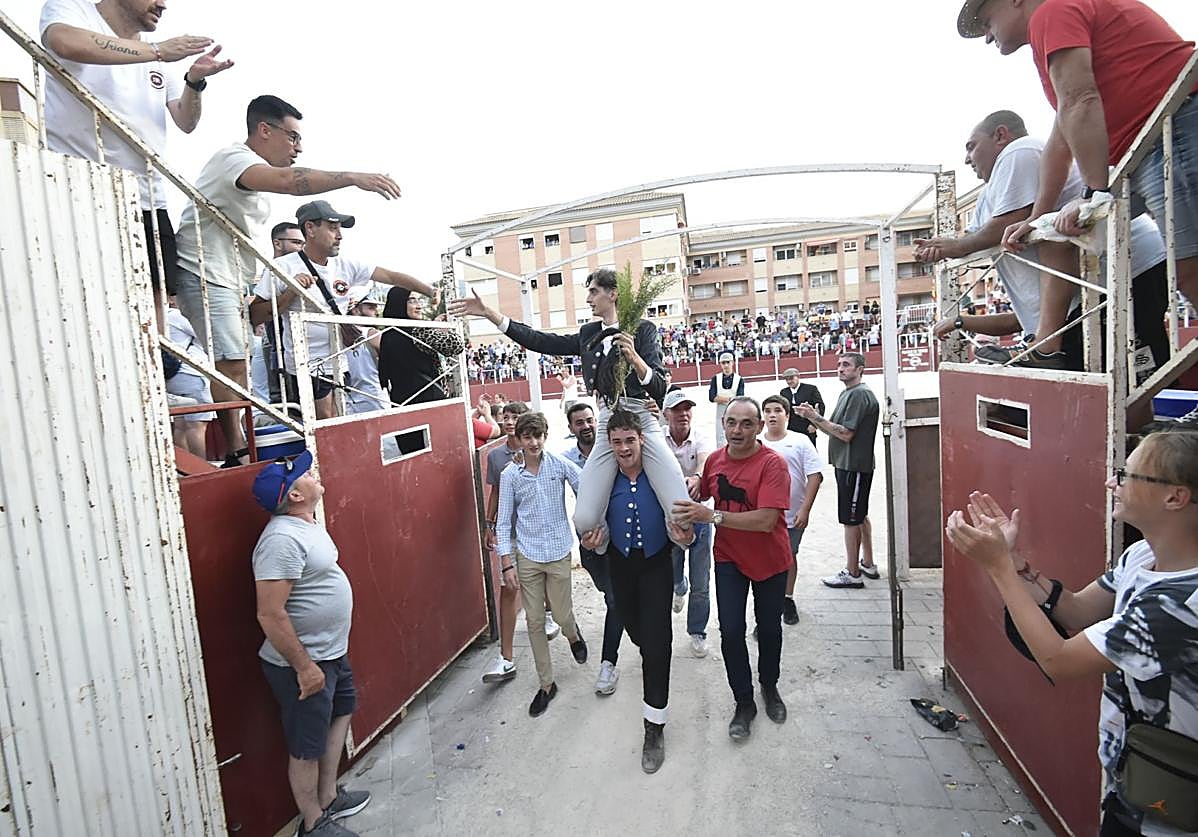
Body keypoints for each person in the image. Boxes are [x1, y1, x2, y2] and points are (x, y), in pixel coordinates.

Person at [945, 429, 1198, 837]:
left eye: (1127, 475)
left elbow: (1058, 660)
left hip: (1168, 807)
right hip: (1136, 780)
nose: (1112, 482)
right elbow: (1078, 610)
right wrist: (1015, 562)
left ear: (1175, 497)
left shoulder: (1179, 605)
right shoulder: (1144, 555)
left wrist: (998, 569)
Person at [177, 96, 406, 453]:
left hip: (230, 275)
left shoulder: (247, 169)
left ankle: (239, 441)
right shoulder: (234, 158)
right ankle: (237, 447)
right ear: (264, 130)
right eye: (293, 137)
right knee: (232, 361)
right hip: (207, 270)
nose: (298, 147)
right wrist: (351, 178)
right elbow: (288, 181)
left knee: (238, 362)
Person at [958, 0, 1198, 316]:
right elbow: (1062, 138)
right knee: (1057, 229)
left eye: (987, 22)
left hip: (1174, 127)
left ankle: (1048, 345)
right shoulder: (1058, 20)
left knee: (1190, 268)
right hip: (1155, 141)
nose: (988, 36)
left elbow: (1080, 100)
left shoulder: (1052, 11)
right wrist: (1037, 216)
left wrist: (1093, 193)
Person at [449, 269, 688, 550]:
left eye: (593, 291)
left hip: (642, 420)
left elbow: (660, 387)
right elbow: (540, 341)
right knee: (585, 517)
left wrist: (634, 358)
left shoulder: (643, 329)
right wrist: (491, 314)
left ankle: (677, 560)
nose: (588, 299)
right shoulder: (589, 333)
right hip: (608, 421)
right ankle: (607, 551)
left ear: (613, 294)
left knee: (679, 507)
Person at [917, 110, 1168, 376]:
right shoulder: (991, 192)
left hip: (1125, 273)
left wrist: (956, 247)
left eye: (972, 146)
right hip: (1090, 295)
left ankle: (1047, 349)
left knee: (1129, 381)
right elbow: (979, 239)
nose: (967, 159)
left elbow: (1006, 222)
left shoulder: (1018, 151)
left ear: (1001, 135)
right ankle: (1046, 348)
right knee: (1113, 388)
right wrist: (950, 249)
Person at [39, 0, 233, 316]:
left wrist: (194, 82)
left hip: (148, 199)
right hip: (80, 187)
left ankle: (153, 365)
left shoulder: (159, 56)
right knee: (86, 299)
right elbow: (64, 42)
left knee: (153, 306)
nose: (163, 4)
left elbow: (186, 121)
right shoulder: (73, 9)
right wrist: (158, 50)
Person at [251, 451, 371, 837]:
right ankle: (313, 821)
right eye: (304, 475)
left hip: (331, 651)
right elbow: (270, 614)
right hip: (304, 663)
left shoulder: (306, 523)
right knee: (306, 744)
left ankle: (329, 795)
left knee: (341, 712)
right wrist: (305, 668)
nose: (312, 472)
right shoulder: (280, 540)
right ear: (295, 495)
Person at [580, 409, 695, 773]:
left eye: (630, 440)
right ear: (609, 445)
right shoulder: (607, 481)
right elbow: (594, 534)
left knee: (657, 646)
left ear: (642, 439)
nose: (625, 448)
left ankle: (654, 726)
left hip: (657, 565)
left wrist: (687, 538)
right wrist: (595, 545)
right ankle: (649, 652)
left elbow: (687, 529)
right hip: (622, 566)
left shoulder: (659, 478)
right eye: (617, 442)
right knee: (637, 633)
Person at [249, 201, 437, 421]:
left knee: (338, 419)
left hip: (340, 359)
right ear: (310, 229)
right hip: (306, 364)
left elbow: (391, 276)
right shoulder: (284, 267)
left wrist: (428, 289)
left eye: (340, 228)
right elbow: (256, 315)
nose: (340, 235)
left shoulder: (346, 265)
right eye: (332, 228)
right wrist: (291, 291)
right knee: (326, 421)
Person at [673, 397, 793, 741]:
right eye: (731, 423)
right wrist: (697, 481)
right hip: (729, 559)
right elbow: (706, 487)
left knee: (769, 630)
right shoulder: (715, 460)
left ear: (759, 427)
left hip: (770, 560)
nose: (737, 430)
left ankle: (769, 687)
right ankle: (744, 702)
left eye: (746, 424)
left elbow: (768, 520)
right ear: (723, 424)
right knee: (730, 631)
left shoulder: (773, 464)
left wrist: (712, 516)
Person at [495, 412, 589, 716]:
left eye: (538, 436)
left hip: (559, 550)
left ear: (545, 437)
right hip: (528, 555)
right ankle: (547, 684)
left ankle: (572, 634)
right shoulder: (510, 475)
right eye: (527, 437)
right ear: (519, 440)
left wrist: (588, 521)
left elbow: (585, 484)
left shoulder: (558, 464)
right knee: (534, 621)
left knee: (561, 615)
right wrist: (506, 563)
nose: (534, 442)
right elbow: (503, 519)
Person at [480, 401, 559, 685]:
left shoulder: (540, 453)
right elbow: (496, 492)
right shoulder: (496, 456)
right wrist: (490, 525)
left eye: (516, 417)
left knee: (545, 579)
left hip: (536, 532)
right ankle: (506, 657)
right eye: (506, 416)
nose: (510, 421)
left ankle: (551, 614)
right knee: (509, 589)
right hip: (509, 532)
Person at [798, 353, 881, 589]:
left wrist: (815, 418)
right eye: (839, 365)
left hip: (853, 465)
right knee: (859, 514)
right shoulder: (849, 393)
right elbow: (835, 430)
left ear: (860, 369)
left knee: (851, 519)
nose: (840, 368)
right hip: (848, 463)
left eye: (846, 365)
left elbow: (845, 433)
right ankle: (867, 562)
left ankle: (853, 573)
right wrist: (813, 419)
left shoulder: (859, 395)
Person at [563, 402, 625, 696]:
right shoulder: (565, 459)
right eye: (579, 422)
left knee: (615, 599)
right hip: (589, 542)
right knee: (608, 591)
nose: (586, 426)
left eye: (590, 420)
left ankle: (607, 664)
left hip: (619, 537)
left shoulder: (613, 450)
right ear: (570, 428)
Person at [760, 395, 825, 625]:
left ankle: (787, 598)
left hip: (792, 514)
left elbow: (815, 475)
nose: (772, 415)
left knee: (788, 557)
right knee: (765, 560)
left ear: (787, 415)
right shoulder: (757, 442)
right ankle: (768, 608)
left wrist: (805, 509)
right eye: (767, 411)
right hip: (762, 517)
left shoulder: (800, 441)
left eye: (777, 410)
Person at [661, 389, 713, 657]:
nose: (683, 414)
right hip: (670, 516)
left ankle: (697, 631)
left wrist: (697, 476)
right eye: (677, 409)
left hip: (701, 515)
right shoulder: (658, 439)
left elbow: (705, 460)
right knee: (672, 569)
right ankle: (678, 586)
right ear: (666, 413)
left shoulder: (701, 436)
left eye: (687, 409)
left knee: (701, 579)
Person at [378, 286, 465, 406]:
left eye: (419, 300)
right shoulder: (417, 331)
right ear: (399, 302)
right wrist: (442, 330)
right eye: (412, 300)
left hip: (401, 402)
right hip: (429, 401)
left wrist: (432, 328)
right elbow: (456, 345)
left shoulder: (388, 334)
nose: (419, 306)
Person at [261, 221, 306, 404]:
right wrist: (292, 290)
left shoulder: (303, 268)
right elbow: (261, 311)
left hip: (302, 351)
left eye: (303, 243)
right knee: (288, 403)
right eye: (296, 242)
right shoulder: (273, 272)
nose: (302, 248)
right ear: (277, 243)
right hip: (281, 350)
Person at [164, 305, 214, 456]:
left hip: (172, 376)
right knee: (197, 424)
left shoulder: (158, 316)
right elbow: (207, 334)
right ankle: (201, 468)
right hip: (192, 373)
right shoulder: (176, 316)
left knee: (180, 425)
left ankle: (186, 469)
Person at [342, 287, 387, 415]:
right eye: (371, 308)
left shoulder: (336, 333)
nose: (376, 312)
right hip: (375, 400)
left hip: (348, 403)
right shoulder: (372, 333)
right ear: (356, 309)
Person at [778, 367, 824, 448]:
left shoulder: (811, 389)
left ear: (798, 377)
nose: (789, 381)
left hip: (808, 426)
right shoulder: (784, 392)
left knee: (810, 451)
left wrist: (814, 424)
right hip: (792, 427)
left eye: (791, 378)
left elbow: (820, 406)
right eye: (787, 379)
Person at [708, 352, 745, 446]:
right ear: (720, 364)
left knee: (736, 435)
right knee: (720, 438)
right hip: (721, 412)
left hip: (735, 411)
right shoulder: (715, 378)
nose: (726, 365)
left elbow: (740, 398)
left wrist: (720, 398)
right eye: (723, 363)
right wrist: (730, 399)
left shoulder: (739, 379)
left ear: (732, 362)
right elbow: (712, 397)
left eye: (728, 362)